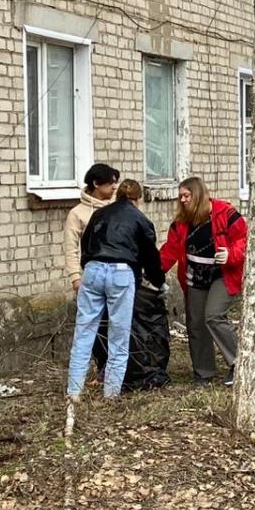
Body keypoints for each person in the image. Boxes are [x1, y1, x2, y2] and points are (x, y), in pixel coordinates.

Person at [66, 179, 164, 400]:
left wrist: (88, 267)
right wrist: (159, 281)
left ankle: (73, 392)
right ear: (137, 199)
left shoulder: (100, 214)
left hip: (92, 270)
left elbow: (87, 242)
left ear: (116, 195)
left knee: (83, 333)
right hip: (121, 273)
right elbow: (151, 257)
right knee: (118, 337)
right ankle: (111, 394)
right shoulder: (141, 220)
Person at [160, 177, 248, 387]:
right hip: (195, 276)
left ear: (198, 195)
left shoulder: (225, 214)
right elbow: (169, 251)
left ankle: (240, 363)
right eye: (180, 196)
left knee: (214, 315)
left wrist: (231, 254)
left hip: (222, 273)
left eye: (186, 196)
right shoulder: (181, 223)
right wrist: (151, 272)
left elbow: (245, 241)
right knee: (196, 323)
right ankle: (203, 373)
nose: (182, 200)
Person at [63, 164, 118, 375]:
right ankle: (100, 367)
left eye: (115, 182)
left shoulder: (115, 209)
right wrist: (75, 278)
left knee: (116, 323)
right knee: (93, 326)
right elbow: (70, 248)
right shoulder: (77, 213)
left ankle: (114, 369)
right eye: (110, 183)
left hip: (116, 276)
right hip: (91, 277)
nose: (114, 187)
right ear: (96, 184)